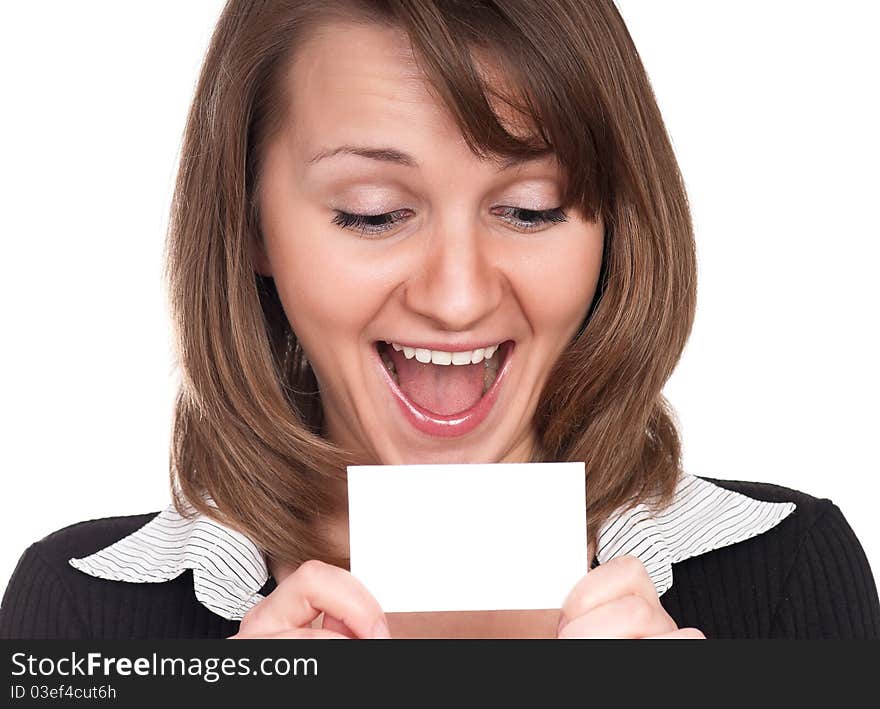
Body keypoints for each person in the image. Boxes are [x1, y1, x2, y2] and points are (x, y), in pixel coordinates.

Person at [1, 0, 877, 640]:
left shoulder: (786, 576)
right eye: (375, 213)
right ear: (249, 223)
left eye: (531, 209)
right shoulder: (80, 617)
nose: (457, 298)